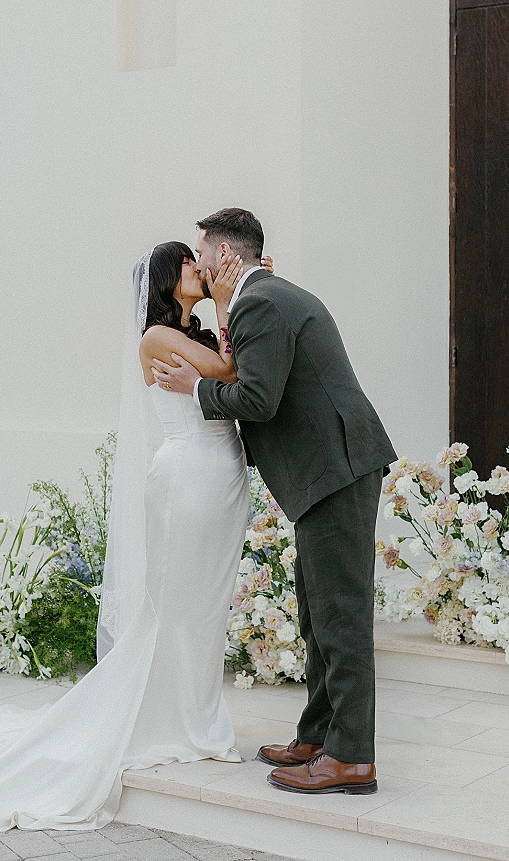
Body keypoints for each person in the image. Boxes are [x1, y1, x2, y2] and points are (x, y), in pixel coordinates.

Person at [0, 242, 272, 831]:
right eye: (187, 262)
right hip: (187, 476)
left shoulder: (204, 330)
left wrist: (237, 298)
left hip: (223, 475)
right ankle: (172, 720)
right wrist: (234, 296)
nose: (197, 268)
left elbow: (232, 373)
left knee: (207, 606)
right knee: (176, 605)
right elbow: (233, 373)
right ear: (165, 278)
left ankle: (196, 716)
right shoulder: (157, 338)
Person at [152, 208, 397, 796]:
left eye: (205, 253)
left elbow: (258, 399)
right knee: (316, 611)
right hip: (328, 469)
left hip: (334, 469)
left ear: (227, 257)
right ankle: (317, 736)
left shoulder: (260, 302)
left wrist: (196, 388)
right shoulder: (258, 299)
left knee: (338, 615)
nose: (201, 263)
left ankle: (352, 757)